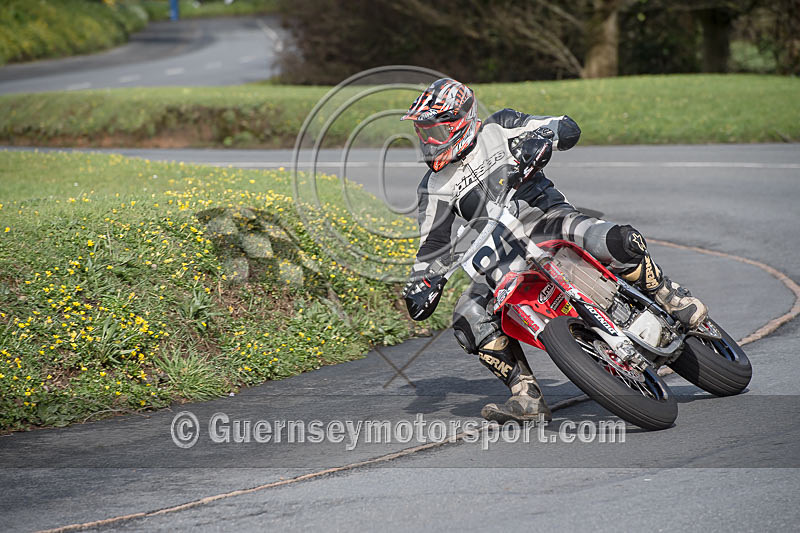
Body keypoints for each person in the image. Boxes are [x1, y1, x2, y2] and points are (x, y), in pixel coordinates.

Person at [401, 78, 708, 424]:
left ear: (462, 121)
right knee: (466, 316)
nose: (428, 141)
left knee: (619, 241)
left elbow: (565, 126)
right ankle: (525, 395)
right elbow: (432, 244)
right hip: (503, 255)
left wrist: (544, 138)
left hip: (550, 220)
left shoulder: (501, 126)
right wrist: (422, 282)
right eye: (422, 132)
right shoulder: (433, 186)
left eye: (435, 132)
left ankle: (668, 295)